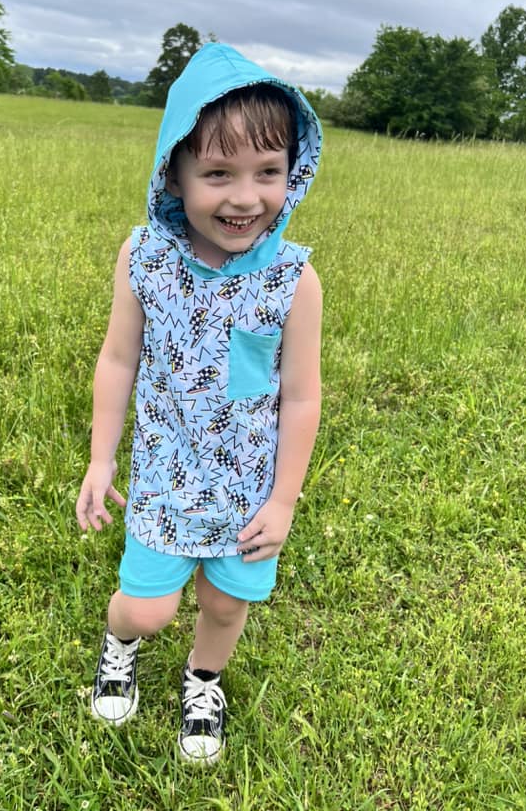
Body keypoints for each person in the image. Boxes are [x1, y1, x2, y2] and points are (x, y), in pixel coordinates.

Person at [76, 42, 323, 764]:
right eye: (218, 174)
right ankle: (120, 643)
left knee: (224, 604)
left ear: (292, 173)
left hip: (249, 490)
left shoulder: (293, 279)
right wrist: (100, 459)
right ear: (173, 175)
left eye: (268, 173)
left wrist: (284, 501)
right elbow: (118, 359)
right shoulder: (143, 257)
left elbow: (301, 398)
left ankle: (204, 679)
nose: (245, 198)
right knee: (149, 609)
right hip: (163, 474)